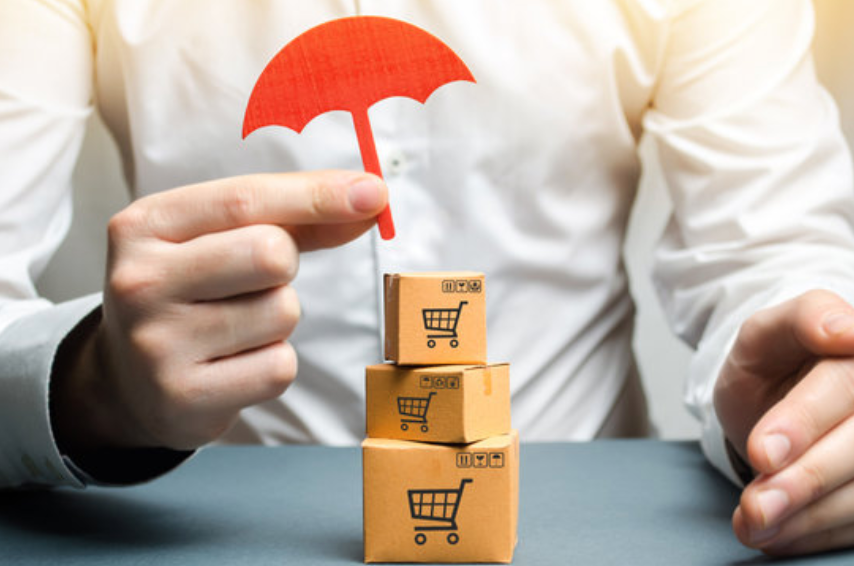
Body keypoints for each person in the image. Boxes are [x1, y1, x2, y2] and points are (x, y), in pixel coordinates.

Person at [2, 0, 854, 556]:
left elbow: (772, 243)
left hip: (579, 528)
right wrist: (89, 389)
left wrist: (800, 388)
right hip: (204, 531)